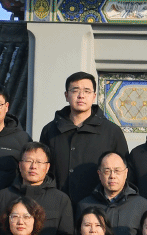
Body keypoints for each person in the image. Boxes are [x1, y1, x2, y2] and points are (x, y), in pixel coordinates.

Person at [41, 71, 132, 203]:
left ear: (94, 96)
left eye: (87, 91)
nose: (81, 96)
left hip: (99, 206)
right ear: (66, 95)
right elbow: (43, 170)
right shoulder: (50, 130)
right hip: (57, 204)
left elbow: (124, 173)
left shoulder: (112, 131)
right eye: (75, 90)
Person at [0, 144, 74, 235]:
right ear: (20, 165)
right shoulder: (1, 197)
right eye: (29, 161)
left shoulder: (61, 199)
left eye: (39, 162)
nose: (33, 166)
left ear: (47, 167)